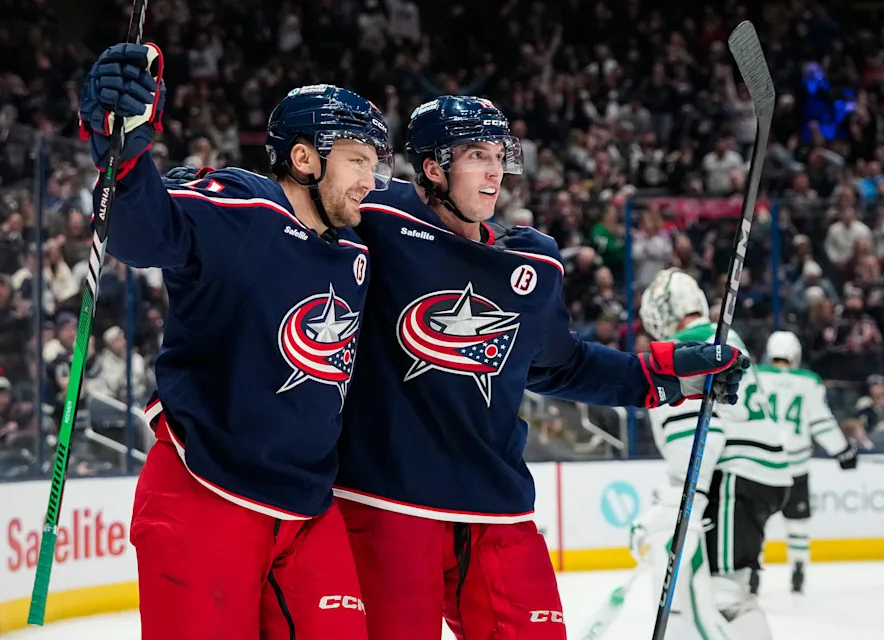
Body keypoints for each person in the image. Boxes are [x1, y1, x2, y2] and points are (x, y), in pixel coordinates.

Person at [333, 96, 748, 640]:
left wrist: (668, 374)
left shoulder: (533, 260)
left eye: (499, 154)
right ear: (433, 168)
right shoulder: (373, 217)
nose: (493, 170)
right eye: (476, 154)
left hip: (497, 507)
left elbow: (561, 364)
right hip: (385, 503)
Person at [78, 43, 392, 639]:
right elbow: (143, 237)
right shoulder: (240, 208)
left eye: (373, 162)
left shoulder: (354, 250)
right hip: (206, 494)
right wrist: (122, 151)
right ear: (304, 158)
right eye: (355, 160)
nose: (368, 179)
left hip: (307, 509)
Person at [632, 268, 791, 640]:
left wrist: (686, 497)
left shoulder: (686, 349)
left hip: (735, 476)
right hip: (762, 473)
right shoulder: (720, 337)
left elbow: (698, 426)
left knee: (726, 596)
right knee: (733, 584)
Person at [756, 330, 858, 594]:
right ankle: (798, 567)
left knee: (756, 521)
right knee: (797, 522)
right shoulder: (809, 381)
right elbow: (821, 422)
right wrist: (842, 451)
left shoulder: (756, 376)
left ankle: (753, 570)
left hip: (762, 464)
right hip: (796, 467)